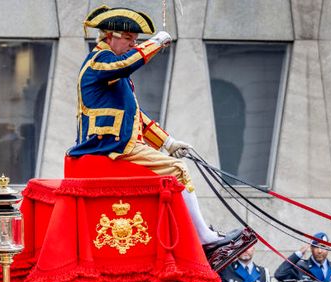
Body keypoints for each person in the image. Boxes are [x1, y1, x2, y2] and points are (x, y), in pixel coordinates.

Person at [72, 6, 224, 247]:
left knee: (174, 165)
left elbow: (135, 116)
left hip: (118, 145)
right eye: (129, 39)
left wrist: (168, 142)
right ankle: (202, 236)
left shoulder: (114, 70)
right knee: (177, 170)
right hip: (110, 146)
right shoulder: (99, 62)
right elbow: (127, 62)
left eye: (136, 40)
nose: (133, 44)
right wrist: (156, 42)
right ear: (109, 37)